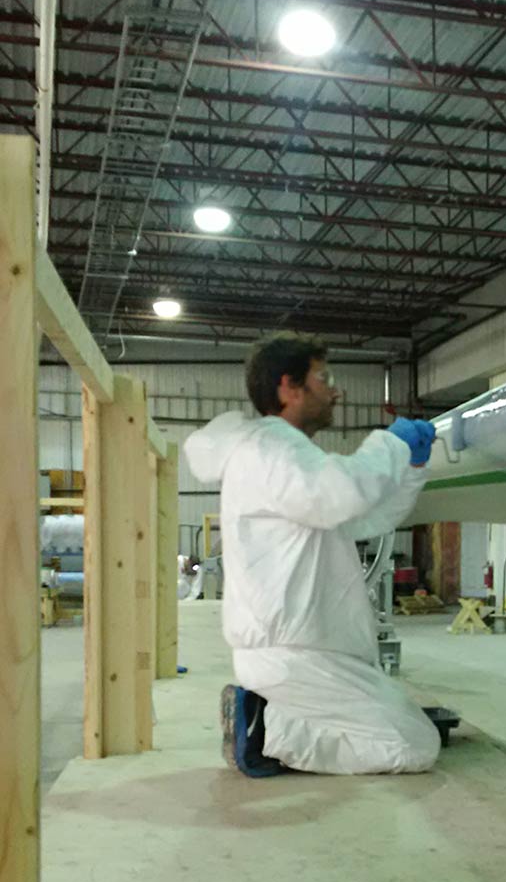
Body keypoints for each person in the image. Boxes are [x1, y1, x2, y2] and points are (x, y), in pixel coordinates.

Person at [183, 332, 441, 777]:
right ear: (289, 387)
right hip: (293, 653)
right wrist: (391, 444)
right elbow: (336, 495)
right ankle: (267, 729)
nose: (335, 391)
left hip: (305, 648)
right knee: (412, 746)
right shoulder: (269, 449)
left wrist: (413, 469)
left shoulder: (288, 456)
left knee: (408, 733)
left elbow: (363, 519)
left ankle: (274, 721)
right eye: (324, 378)